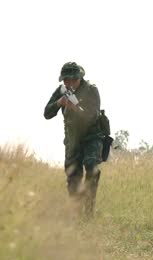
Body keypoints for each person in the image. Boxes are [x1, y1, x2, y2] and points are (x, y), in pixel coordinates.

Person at [44, 62, 104, 216]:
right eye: (66, 80)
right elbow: (47, 113)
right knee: (73, 176)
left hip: (92, 137)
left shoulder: (91, 90)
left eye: (72, 80)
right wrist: (60, 102)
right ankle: (75, 213)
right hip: (72, 139)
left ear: (79, 78)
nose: (69, 83)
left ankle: (89, 211)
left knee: (92, 167)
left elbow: (93, 116)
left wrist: (75, 108)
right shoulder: (62, 91)